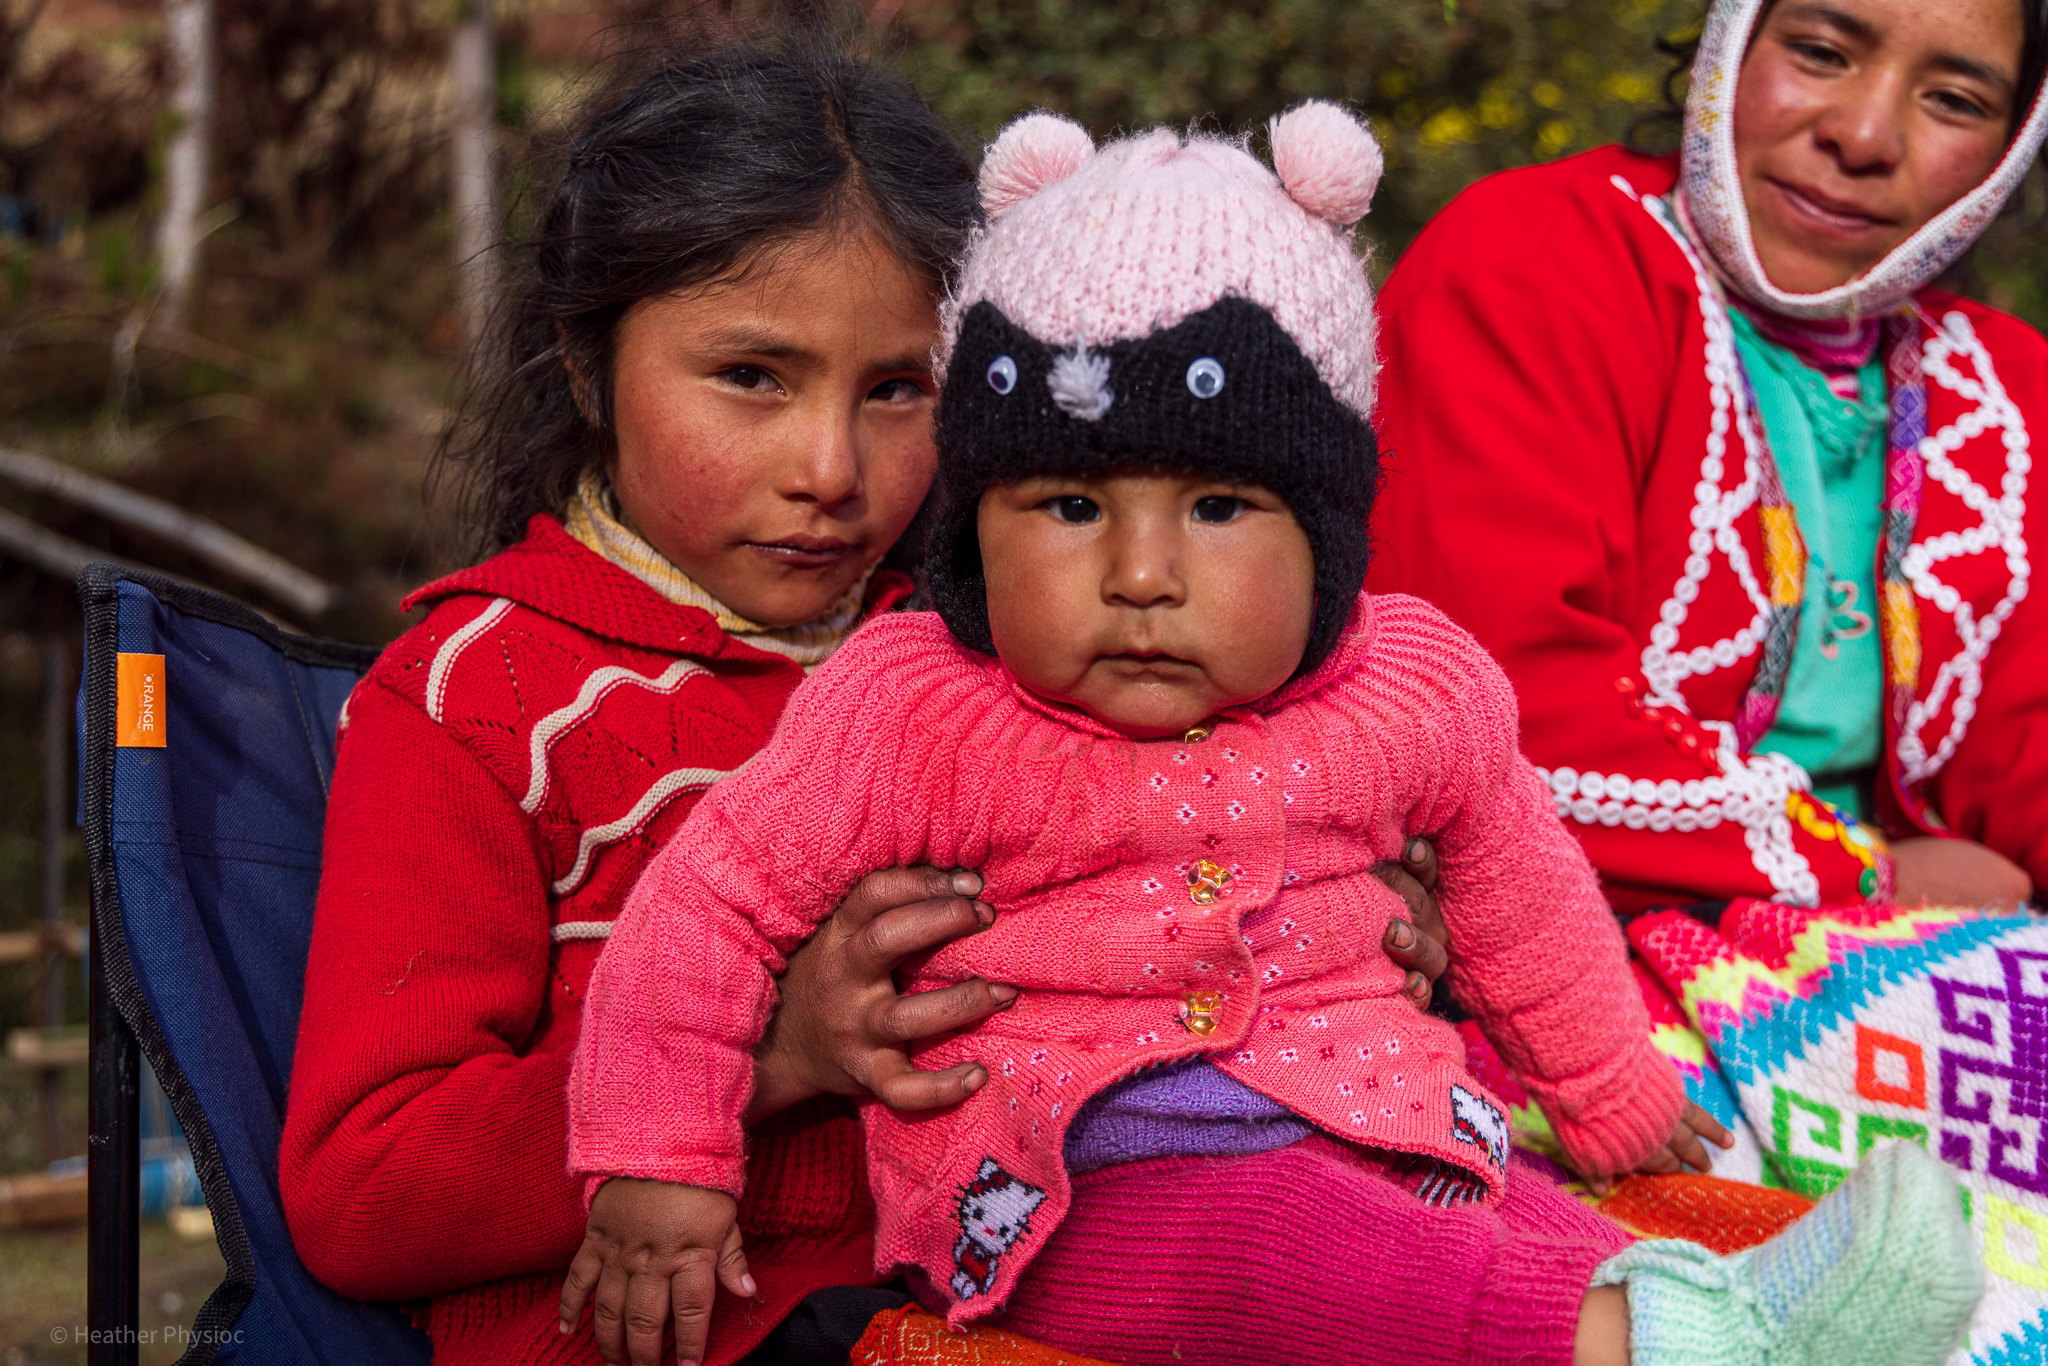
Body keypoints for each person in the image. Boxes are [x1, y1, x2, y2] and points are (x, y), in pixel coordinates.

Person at [561, 107, 1980, 1366]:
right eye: (1067, 507)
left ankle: (1708, 1310)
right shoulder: (914, 701)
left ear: (1329, 535)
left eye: (1219, 509)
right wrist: (659, 1157)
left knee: (1514, 1226)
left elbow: (1514, 874)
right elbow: (710, 904)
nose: (1139, 572)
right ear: (973, 529)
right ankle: (1681, 1339)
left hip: (1384, 1114)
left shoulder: (1409, 684)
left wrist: (1604, 1086)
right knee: (1303, 1245)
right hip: (1074, 1190)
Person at [277, 30, 1453, 1366]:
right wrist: (766, 1059)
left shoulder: (1021, 659)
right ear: (587, 361)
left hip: (1096, 1282)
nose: (829, 467)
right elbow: (363, 1192)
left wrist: (1362, 920)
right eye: (752, 378)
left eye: (900, 390)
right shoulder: (476, 699)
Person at [1369, 0, 2048, 914]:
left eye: (1956, 101)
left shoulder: (2007, 389)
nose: (1864, 134)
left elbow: (2027, 744)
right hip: (1554, 939)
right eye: (1819, 52)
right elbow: (1482, 710)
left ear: (2010, 149)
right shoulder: (1528, 266)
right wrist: (1863, 873)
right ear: (1729, 43)